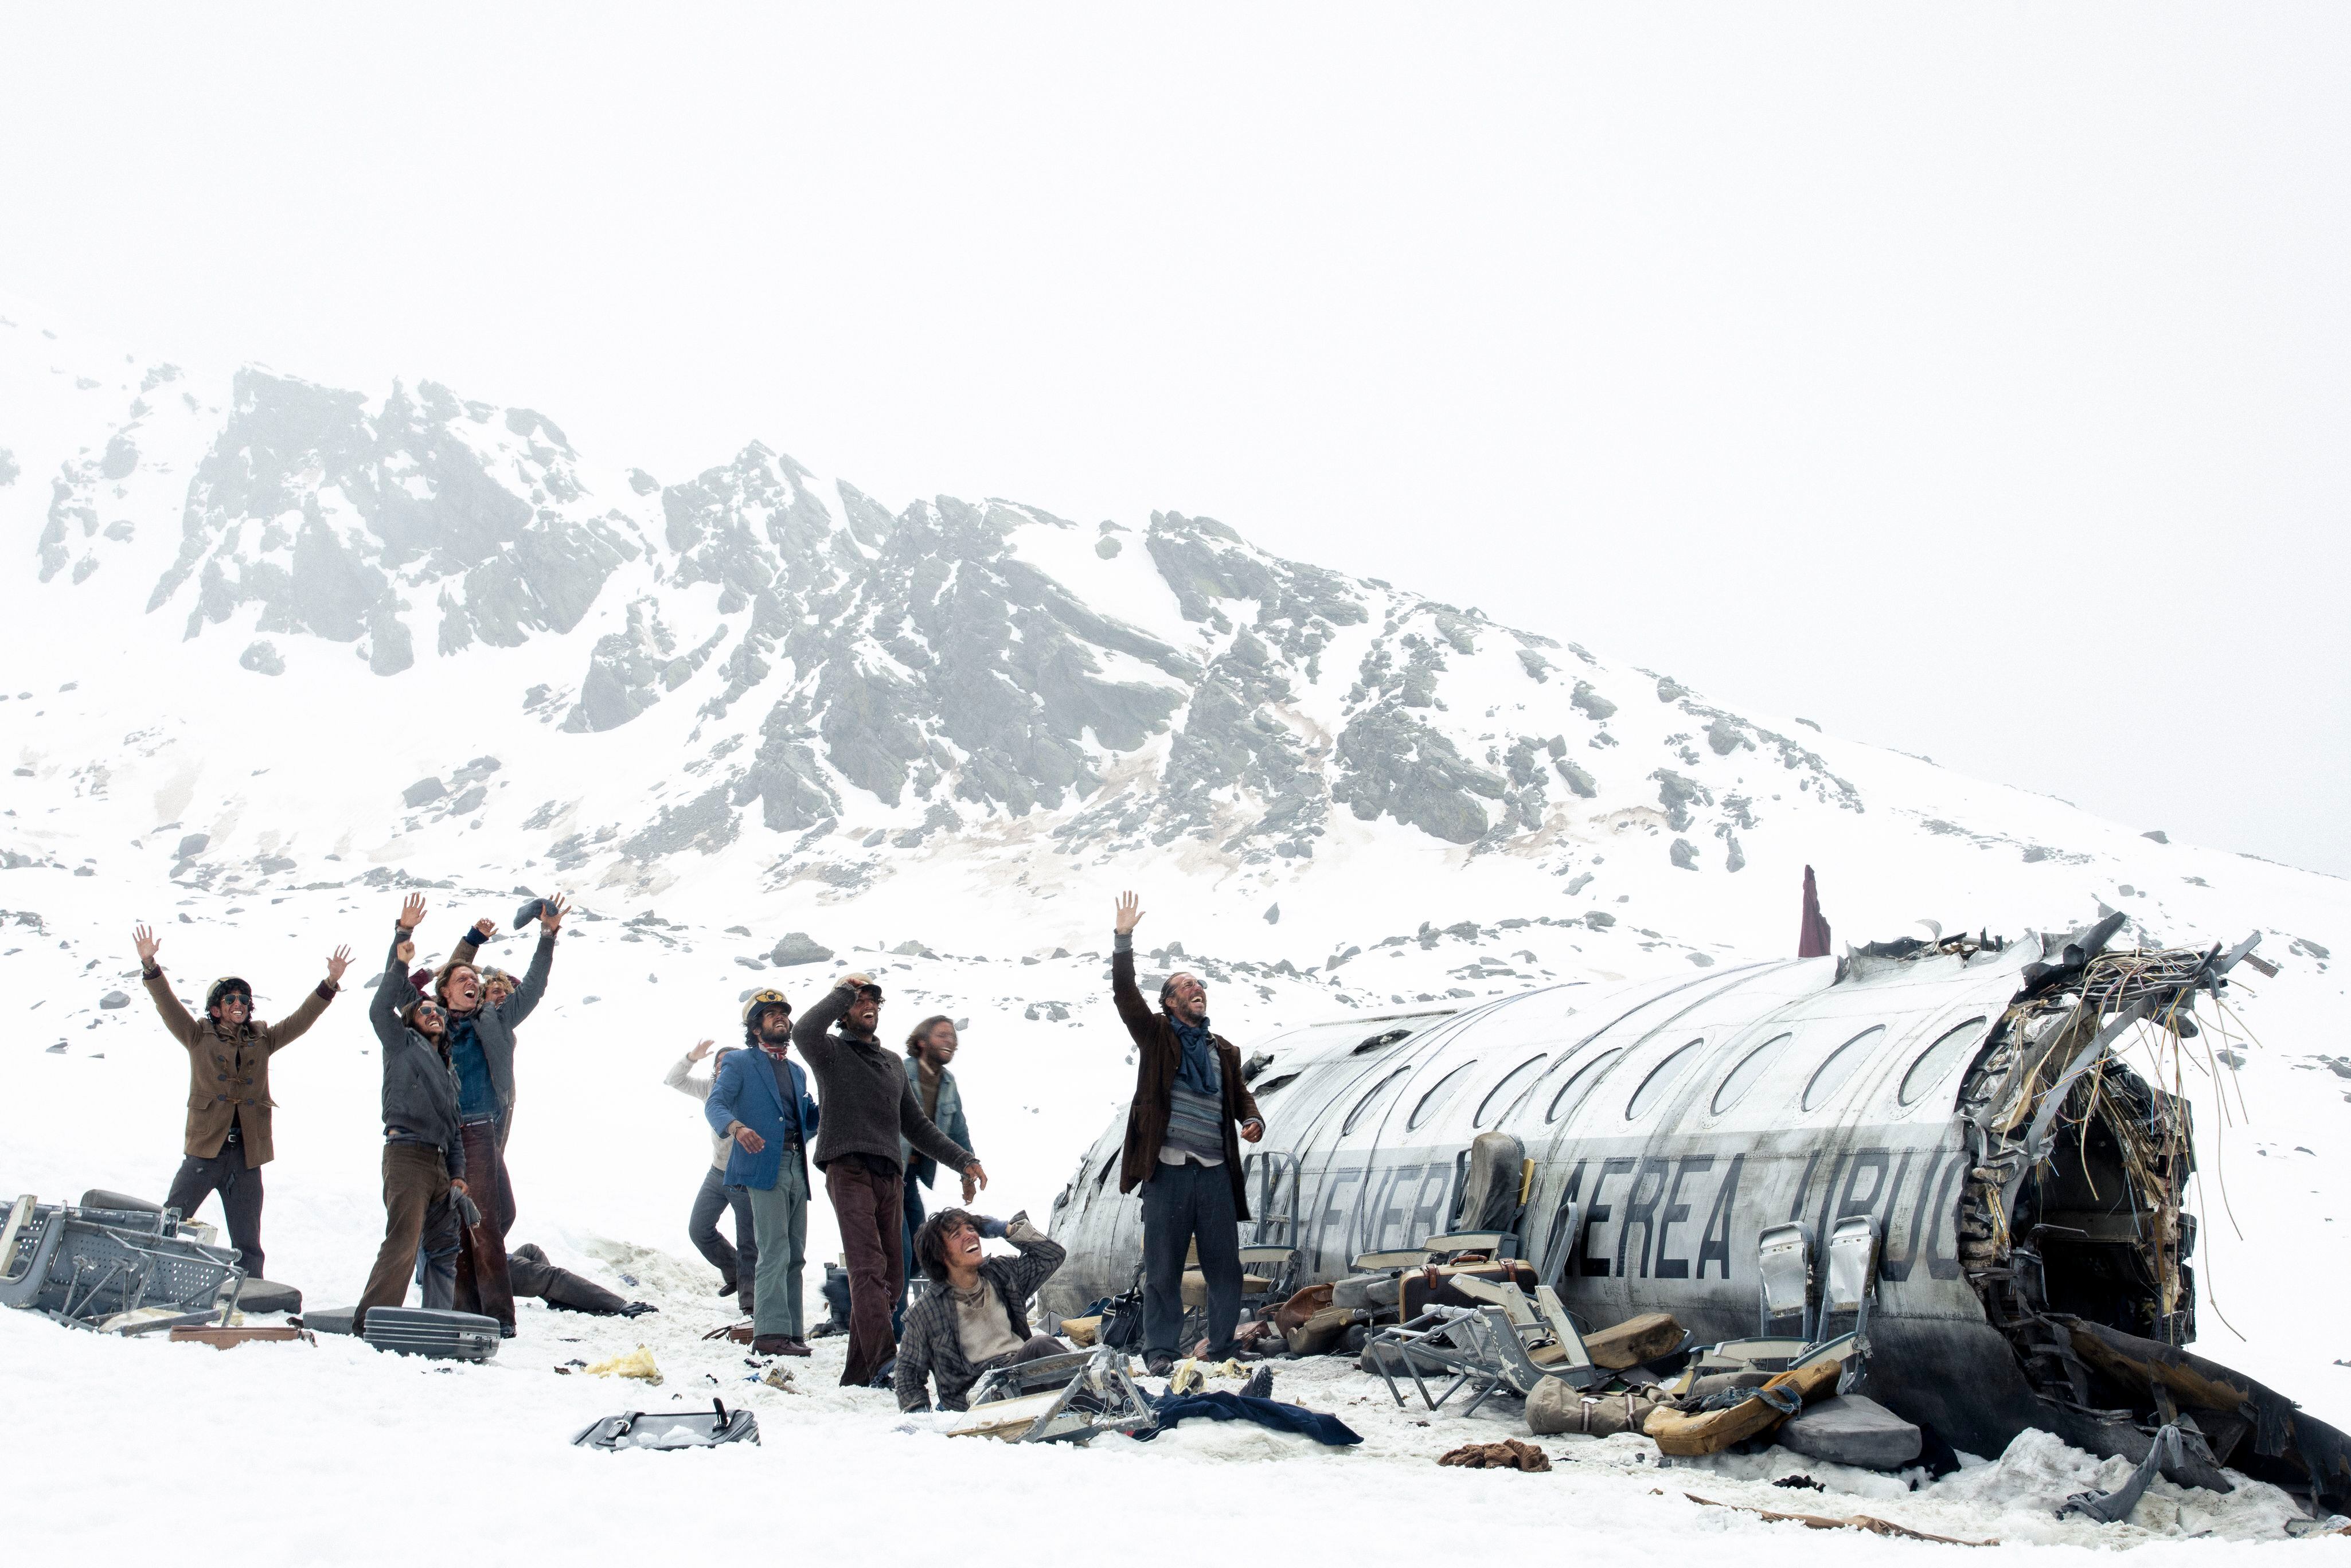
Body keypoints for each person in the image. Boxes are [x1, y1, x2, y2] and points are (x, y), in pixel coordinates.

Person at [794, 972, 986, 1387]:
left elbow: (917, 1125)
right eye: (861, 1000)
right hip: (848, 1169)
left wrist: (963, 1160)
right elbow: (803, 1029)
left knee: (894, 1278)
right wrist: (844, 989)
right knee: (867, 1269)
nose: (869, 1005)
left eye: (875, 1000)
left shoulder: (890, 1065)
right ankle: (886, 1361)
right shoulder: (829, 1051)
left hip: (889, 1175)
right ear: (844, 1011)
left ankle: (860, 1372)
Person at [130, 923, 350, 1282]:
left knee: (248, 1241)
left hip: (247, 1155)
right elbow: (167, 1005)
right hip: (205, 1151)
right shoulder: (197, 1034)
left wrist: (329, 984)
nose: (239, 1005)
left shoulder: (263, 1038)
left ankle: (251, 1296)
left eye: (244, 1000)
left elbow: (300, 1021)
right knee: (169, 1222)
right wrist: (151, 966)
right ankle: (144, 1282)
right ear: (215, 1009)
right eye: (231, 999)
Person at [1108, 890, 1265, 1375]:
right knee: (1164, 1269)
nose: (1196, 989)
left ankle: (1221, 1346)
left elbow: (1237, 1094)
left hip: (1215, 1174)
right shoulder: (1157, 1036)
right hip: (1169, 1172)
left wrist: (1252, 1118)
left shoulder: (1223, 1049)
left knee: (1225, 1266)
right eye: (1185, 987)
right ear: (1170, 1002)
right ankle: (1160, 1352)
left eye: (1200, 985)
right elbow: (1124, 994)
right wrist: (1123, 939)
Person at [356, 895, 468, 1332]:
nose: (435, 1012)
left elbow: (454, 1127)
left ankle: (437, 1319)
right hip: (405, 1154)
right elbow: (378, 1005)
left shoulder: (448, 1067)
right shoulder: (400, 1043)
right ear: (411, 1019)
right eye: (426, 1009)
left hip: (439, 1161)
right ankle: (371, 1320)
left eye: (439, 1010)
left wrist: (457, 1172)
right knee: (403, 1240)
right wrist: (402, 943)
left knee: (443, 1244)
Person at [439, 894, 567, 1233]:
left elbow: (533, 988)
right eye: (490, 990)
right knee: (450, 1207)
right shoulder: (437, 1021)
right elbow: (448, 978)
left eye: (502, 993)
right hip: (445, 1128)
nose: (497, 996)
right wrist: (472, 943)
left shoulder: (495, 1020)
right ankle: (444, 1269)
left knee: (498, 1212)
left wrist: (548, 936)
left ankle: (466, 1266)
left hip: (485, 1124)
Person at [706, 990, 822, 1356]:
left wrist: (827, 1110)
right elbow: (715, 1103)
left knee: (797, 1252)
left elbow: (806, 1122)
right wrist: (737, 1129)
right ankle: (770, 1335)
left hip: (796, 1165)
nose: (780, 1019)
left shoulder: (797, 1071)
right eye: (771, 1015)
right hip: (762, 1166)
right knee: (774, 1249)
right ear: (756, 1028)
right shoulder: (740, 1063)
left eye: (783, 1014)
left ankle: (793, 1331)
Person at [893, 1209, 1066, 1412]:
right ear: (940, 1254)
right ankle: (1106, 1401)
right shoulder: (925, 1312)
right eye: (956, 1235)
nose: (971, 1235)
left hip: (1023, 1372)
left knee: (1059, 1360)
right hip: (981, 1393)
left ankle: (1098, 1395)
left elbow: (1052, 1257)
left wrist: (1007, 1229)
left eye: (971, 1228)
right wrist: (919, 1413)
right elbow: (908, 1373)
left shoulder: (1001, 1274)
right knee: (1041, 1345)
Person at [665, 1037, 757, 1319]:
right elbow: (674, 1080)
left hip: (744, 1176)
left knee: (749, 1242)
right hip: (717, 1172)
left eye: (729, 1062)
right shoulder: (709, 1089)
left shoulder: (752, 1091)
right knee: (700, 1229)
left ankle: (751, 1303)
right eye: (719, 1063)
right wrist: (692, 1057)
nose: (723, 1066)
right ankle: (734, 1272)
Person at [895, 1014, 977, 1333]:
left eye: (953, 1037)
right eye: (943, 1035)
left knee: (919, 1250)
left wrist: (967, 1171)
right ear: (921, 1042)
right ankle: (896, 1329)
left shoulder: (948, 1083)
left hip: (912, 1175)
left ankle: (850, 1299)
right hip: (889, 1171)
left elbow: (958, 1130)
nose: (951, 1042)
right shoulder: (899, 1071)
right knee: (900, 1250)